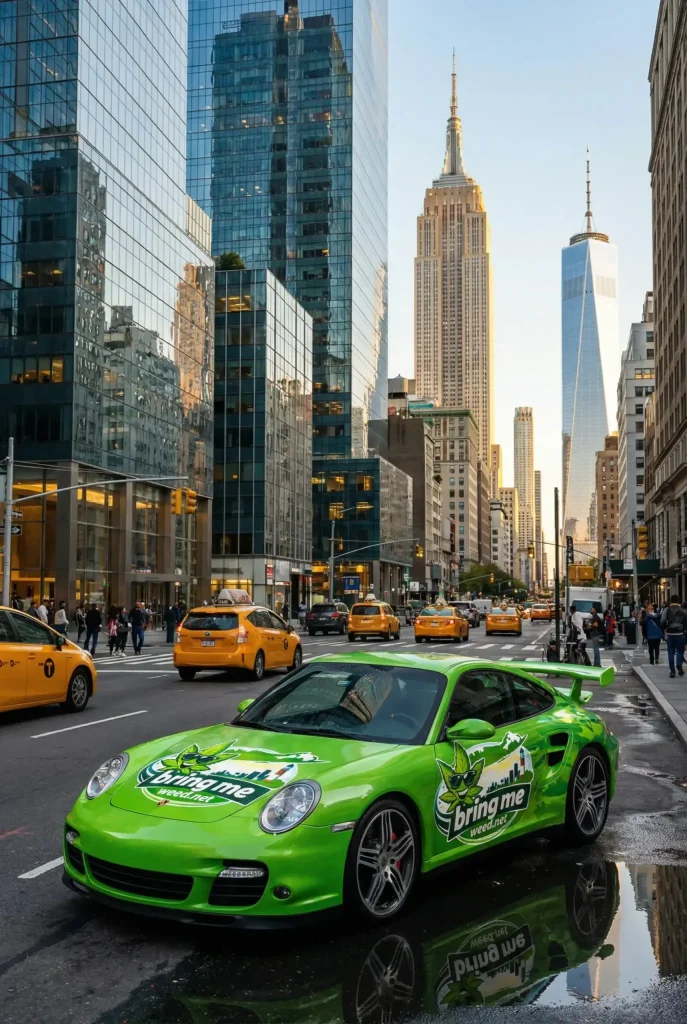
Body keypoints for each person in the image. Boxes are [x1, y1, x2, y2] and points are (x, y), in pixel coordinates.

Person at [661, 595, 687, 678]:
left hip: (670, 633)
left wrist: (664, 628)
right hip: (680, 633)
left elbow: (663, 621)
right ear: (678, 601)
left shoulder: (667, 610)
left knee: (670, 652)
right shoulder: (683, 610)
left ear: (671, 601)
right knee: (680, 650)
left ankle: (672, 671)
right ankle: (679, 664)